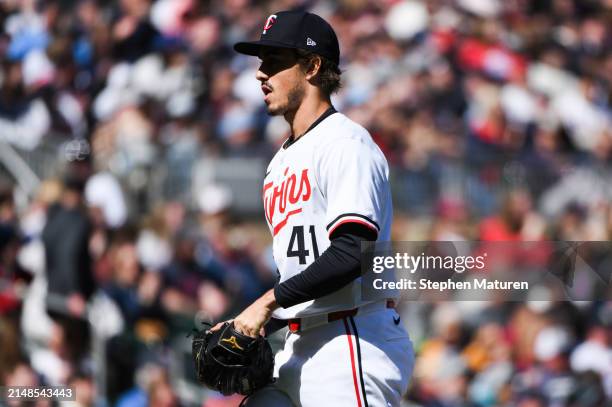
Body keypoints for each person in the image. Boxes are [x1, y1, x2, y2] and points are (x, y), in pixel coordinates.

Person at [214, 10, 414, 406]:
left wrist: (266, 303)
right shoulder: (279, 164)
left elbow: (350, 253)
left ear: (313, 66)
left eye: (274, 61)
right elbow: (304, 276)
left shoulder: (345, 143)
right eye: (260, 63)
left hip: (351, 343)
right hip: (299, 345)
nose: (260, 74)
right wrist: (250, 324)